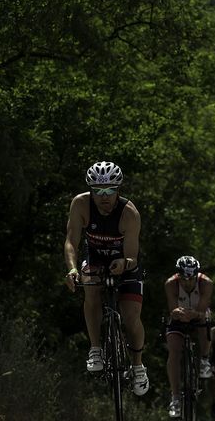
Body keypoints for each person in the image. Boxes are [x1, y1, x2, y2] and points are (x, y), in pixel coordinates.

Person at [63, 161, 149, 396]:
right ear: (91, 190)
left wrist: (124, 264)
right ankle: (95, 348)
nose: (104, 197)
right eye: (98, 191)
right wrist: (71, 270)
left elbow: (132, 256)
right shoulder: (80, 204)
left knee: (131, 317)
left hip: (125, 263)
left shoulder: (129, 213)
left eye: (110, 190)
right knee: (89, 286)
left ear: (118, 190)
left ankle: (138, 365)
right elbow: (71, 242)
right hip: (96, 259)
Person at [163, 255, 213, 418]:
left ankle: (204, 360)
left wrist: (193, 315)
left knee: (205, 321)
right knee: (174, 351)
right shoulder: (171, 283)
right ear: (178, 275)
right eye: (184, 279)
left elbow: (201, 310)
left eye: (191, 279)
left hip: (197, 315)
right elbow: (173, 309)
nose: (187, 283)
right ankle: (175, 397)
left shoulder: (206, 283)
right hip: (179, 319)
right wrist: (177, 314)